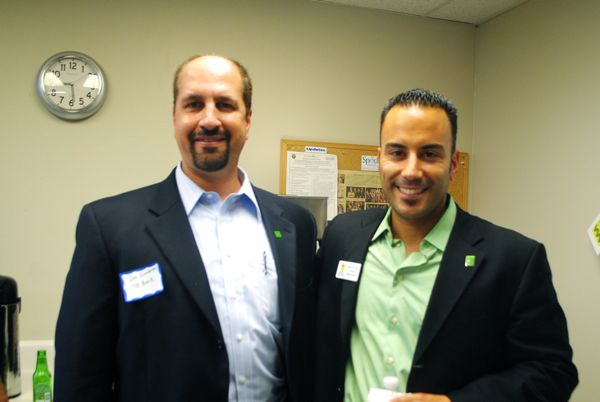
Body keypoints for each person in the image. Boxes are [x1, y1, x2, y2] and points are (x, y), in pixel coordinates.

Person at [54, 54, 317, 402]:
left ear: (248, 119)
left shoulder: (295, 223)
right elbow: (79, 375)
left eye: (225, 104)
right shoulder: (110, 227)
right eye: (194, 104)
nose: (209, 120)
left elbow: (308, 351)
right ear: (175, 116)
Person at [314, 88, 578, 402]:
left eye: (429, 154)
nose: (411, 171)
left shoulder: (513, 260)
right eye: (397, 152)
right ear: (381, 157)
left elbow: (552, 372)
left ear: (453, 164)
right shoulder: (342, 236)